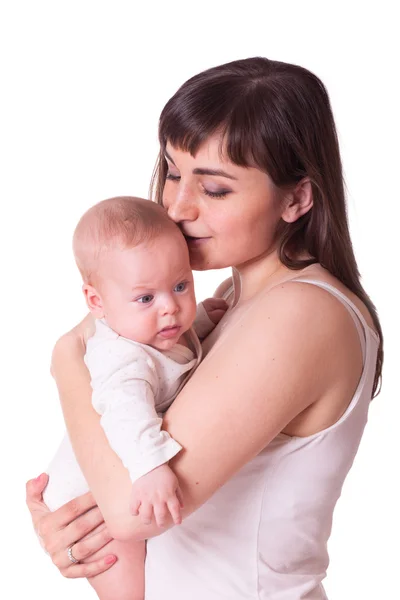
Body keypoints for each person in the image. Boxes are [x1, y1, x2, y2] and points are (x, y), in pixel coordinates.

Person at [26, 57, 383, 599]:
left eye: (214, 190)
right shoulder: (226, 304)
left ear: (296, 199)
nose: (176, 206)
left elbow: (131, 509)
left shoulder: (301, 315)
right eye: (172, 172)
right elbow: (123, 493)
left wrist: (67, 366)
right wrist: (74, 528)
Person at [42, 196, 227, 599]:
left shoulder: (152, 330)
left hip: (111, 472)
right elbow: (127, 414)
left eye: (181, 286)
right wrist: (149, 467)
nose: (170, 310)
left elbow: (173, 348)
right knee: (129, 590)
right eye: (146, 298)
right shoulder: (122, 358)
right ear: (96, 303)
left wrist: (201, 320)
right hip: (84, 496)